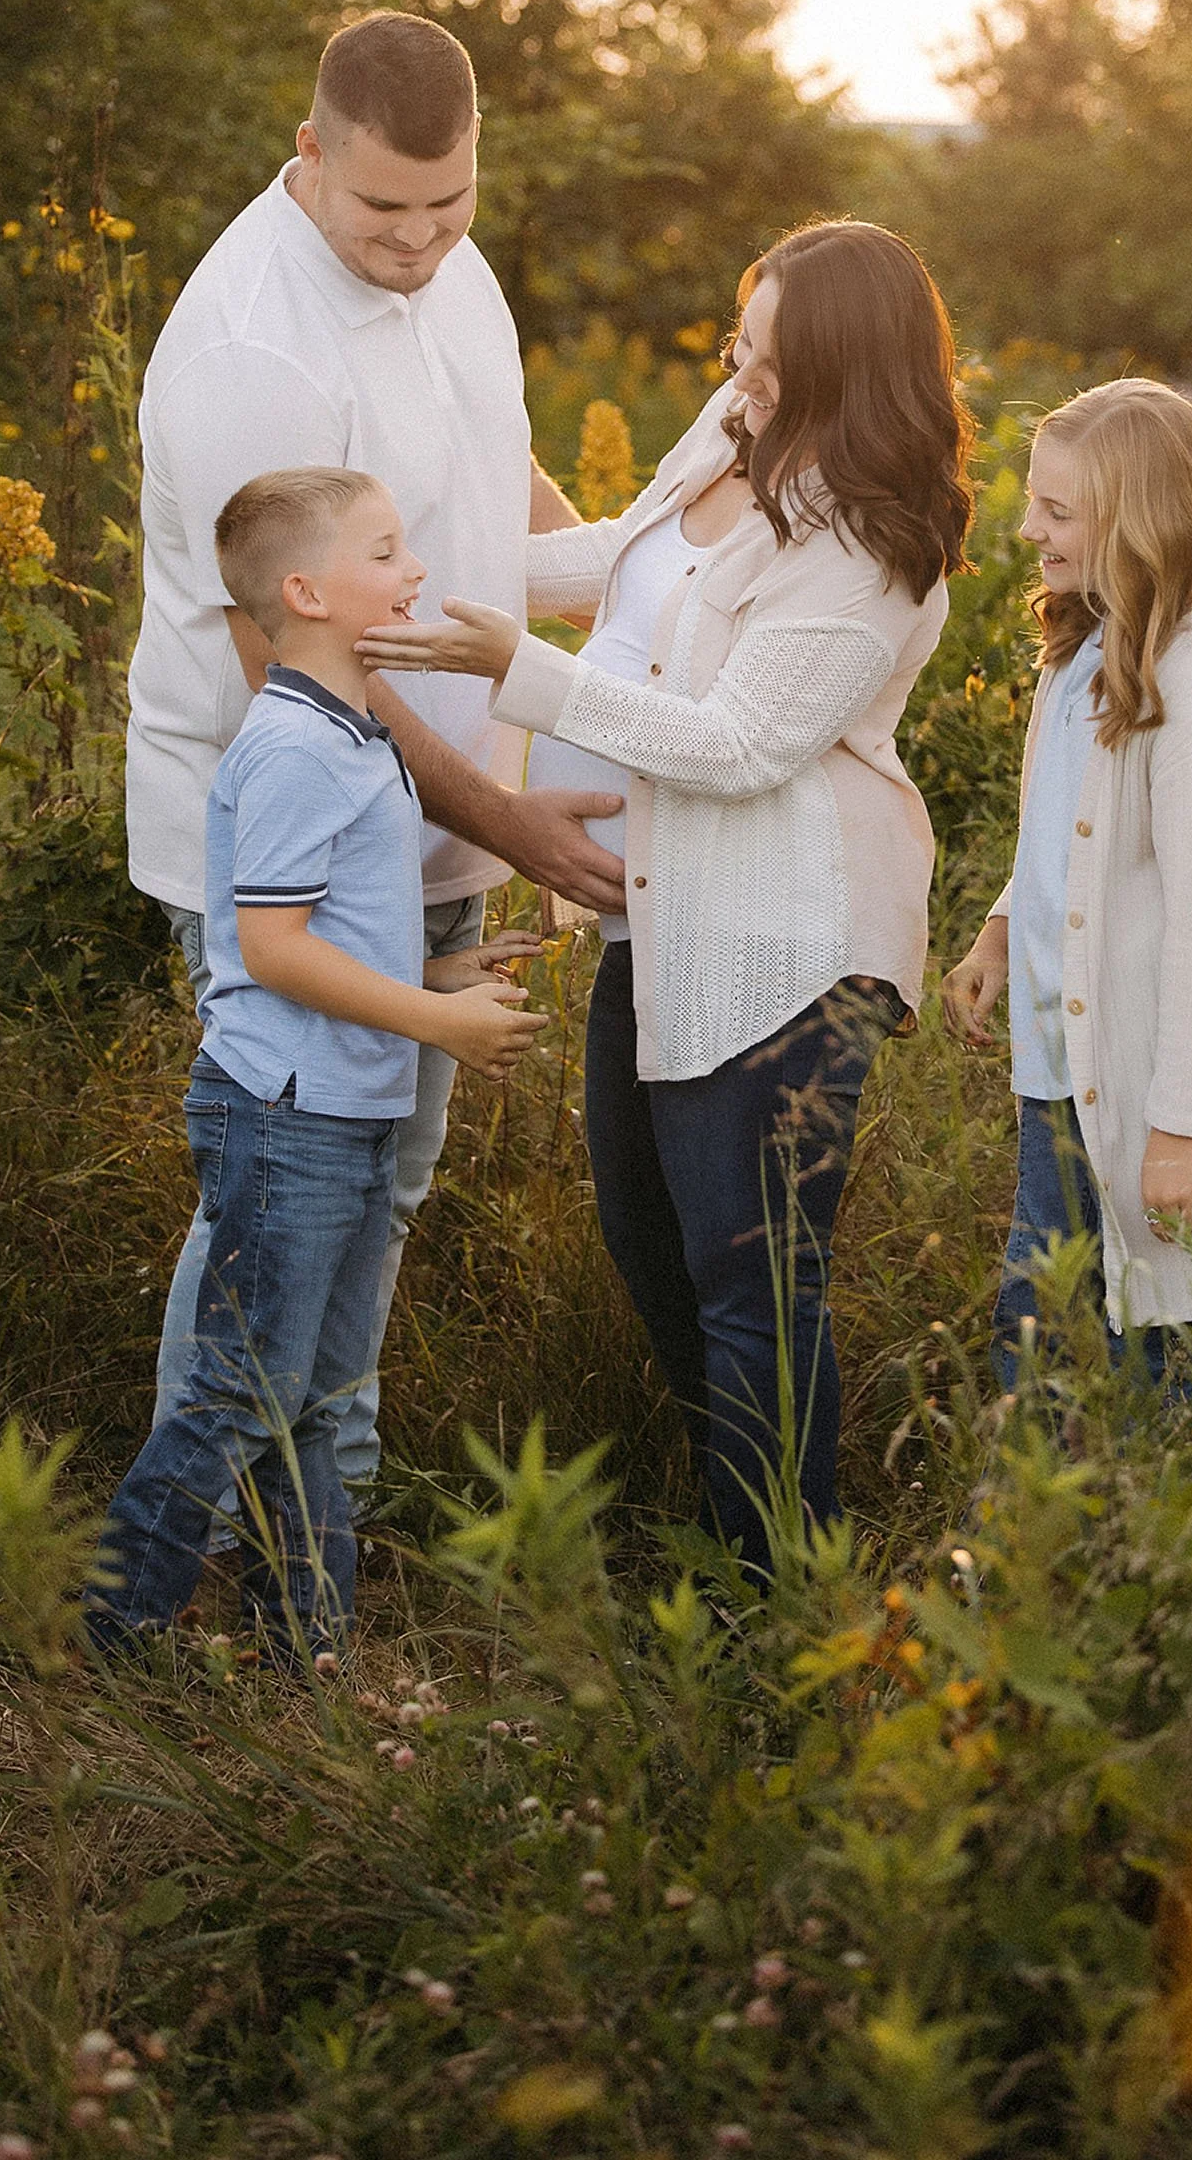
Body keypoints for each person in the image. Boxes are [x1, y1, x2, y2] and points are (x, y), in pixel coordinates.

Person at [362, 221, 974, 1578]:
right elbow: (621, 562)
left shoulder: (868, 544)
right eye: (734, 345)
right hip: (665, 910)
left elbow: (743, 743)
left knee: (752, 1289)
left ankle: (777, 1597)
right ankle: (744, 1542)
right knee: (655, 1252)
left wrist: (514, 666)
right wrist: (414, 577)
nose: (734, 375)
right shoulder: (738, 429)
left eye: (762, 359)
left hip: (787, 946)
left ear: (841, 370)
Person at [126, 13, 622, 1504]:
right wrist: (513, 823)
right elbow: (304, 666)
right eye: (381, 209)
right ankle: (198, 1555)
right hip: (295, 847)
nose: (416, 240)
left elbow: (492, 464)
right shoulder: (251, 351)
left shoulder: (448, 262)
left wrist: (647, 597)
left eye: (447, 203)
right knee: (281, 1210)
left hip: (439, 823)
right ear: (309, 156)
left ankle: (307, 1536)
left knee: (384, 1193)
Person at [87, 467, 545, 1665]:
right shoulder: (292, 744)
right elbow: (270, 949)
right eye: (387, 553)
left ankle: (309, 1649)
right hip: (283, 1121)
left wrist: (444, 977)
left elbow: (331, 939)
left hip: (341, 1111)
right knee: (240, 1392)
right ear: (307, 590)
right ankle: (111, 1641)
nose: (415, 574)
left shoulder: (353, 730)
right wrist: (437, 1025)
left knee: (316, 1398)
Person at [940, 378, 1192, 1383]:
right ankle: (1040, 1535)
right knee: (1040, 1334)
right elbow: (1065, 841)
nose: (1025, 526)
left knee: (1171, 1353)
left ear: (1137, 521)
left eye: (1056, 510)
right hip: (1058, 1073)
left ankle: (1140, 1535)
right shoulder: (1087, 644)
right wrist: (999, 933)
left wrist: (1176, 1130)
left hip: (1141, 1087)